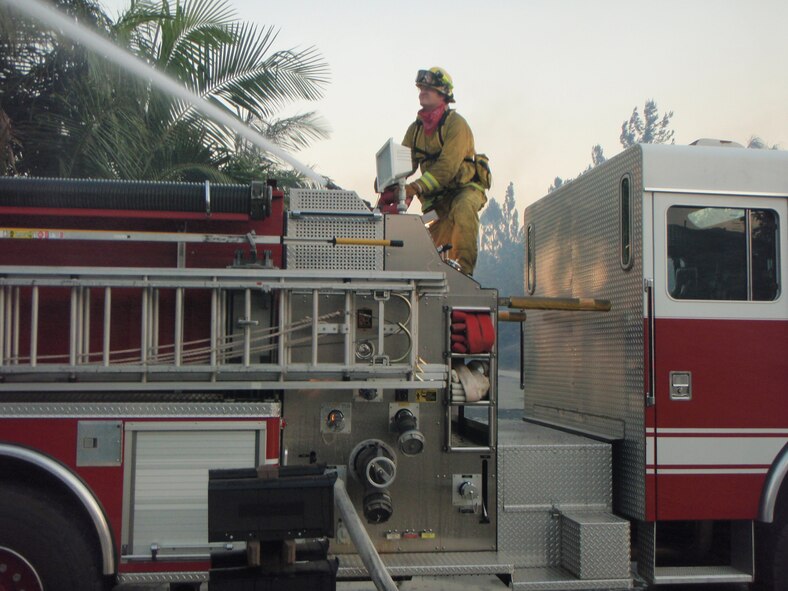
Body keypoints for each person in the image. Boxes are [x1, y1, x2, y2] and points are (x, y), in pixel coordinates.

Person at [401, 67, 487, 275]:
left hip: (463, 190)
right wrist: (386, 182)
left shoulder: (456, 125)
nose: (422, 91)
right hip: (437, 202)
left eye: (429, 88)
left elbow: (447, 167)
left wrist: (415, 187)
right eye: (421, 87)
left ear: (443, 94)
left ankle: (464, 274)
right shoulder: (416, 130)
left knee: (463, 209)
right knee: (431, 250)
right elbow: (402, 164)